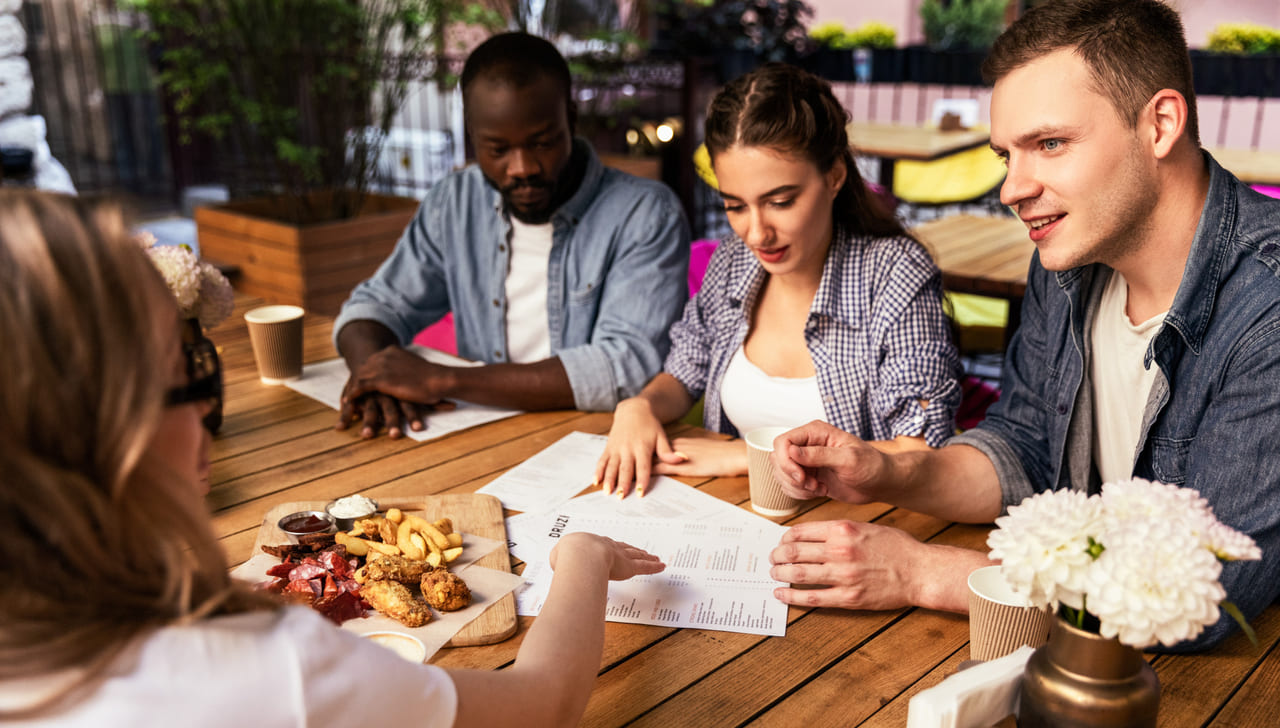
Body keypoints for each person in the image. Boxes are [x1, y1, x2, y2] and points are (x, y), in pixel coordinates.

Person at [0, 189, 664, 728]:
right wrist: (582, 553)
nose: (208, 413)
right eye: (194, 371)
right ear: (115, 429)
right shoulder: (265, 682)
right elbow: (544, 707)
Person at [767, 0, 1280, 651]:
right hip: (1067, 656)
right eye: (1006, 154)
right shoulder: (1068, 260)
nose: (1013, 187)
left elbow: (1207, 593)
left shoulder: (1267, 305)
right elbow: (1027, 448)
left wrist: (924, 572)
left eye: (1050, 144)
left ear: (1161, 124)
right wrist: (889, 472)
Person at [594, 63, 961, 497]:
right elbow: (683, 373)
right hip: (735, 518)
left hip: (859, 531)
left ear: (835, 176)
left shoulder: (894, 274)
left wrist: (746, 459)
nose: (756, 232)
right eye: (735, 206)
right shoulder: (733, 261)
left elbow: (920, 451)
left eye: (781, 201)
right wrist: (639, 407)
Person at [334, 31, 690, 439]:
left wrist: (443, 380)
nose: (522, 167)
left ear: (570, 120)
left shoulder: (645, 214)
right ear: (472, 137)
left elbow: (625, 368)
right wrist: (374, 378)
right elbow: (375, 305)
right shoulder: (454, 201)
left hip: (600, 445)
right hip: (479, 437)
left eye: (541, 142)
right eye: (497, 149)